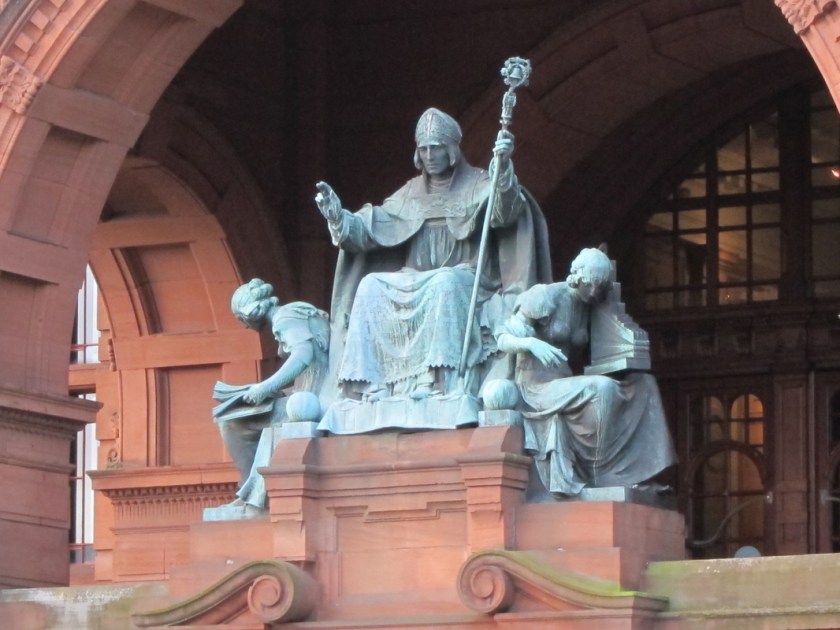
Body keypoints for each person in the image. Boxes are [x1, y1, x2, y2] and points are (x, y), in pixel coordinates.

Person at [315, 108, 551, 420]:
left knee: (444, 282)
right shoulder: (411, 192)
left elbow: (504, 211)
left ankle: (441, 382)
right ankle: (365, 386)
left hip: (467, 278)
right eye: (423, 149)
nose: (429, 155)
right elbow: (372, 227)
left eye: (436, 148)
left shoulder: (479, 183)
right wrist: (337, 217)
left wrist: (503, 169)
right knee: (370, 285)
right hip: (415, 276)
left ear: (452, 150)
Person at [495, 247, 676, 497]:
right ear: (576, 277)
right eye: (589, 285)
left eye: (599, 286)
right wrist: (532, 344)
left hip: (564, 382)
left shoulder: (591, 304)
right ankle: (598, 473)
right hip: (535, 386)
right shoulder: (544, 296)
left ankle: (639, 471)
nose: (593, 292)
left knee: (644, 384)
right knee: (601, 388)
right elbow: (503, 339)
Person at [211, 279, 329, 513]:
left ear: (250, 311)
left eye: (241, 318)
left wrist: (265, 388)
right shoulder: (294, 313)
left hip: (313, 397)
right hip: (308, 393)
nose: (245, 325)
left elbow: (303, 354)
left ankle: (250, 497)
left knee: (233, 421)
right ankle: (252, 494)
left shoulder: (285, 318)